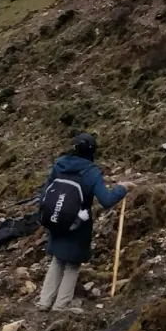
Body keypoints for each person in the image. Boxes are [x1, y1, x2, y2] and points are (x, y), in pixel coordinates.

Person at [36, 132, 127, 312]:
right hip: (79, 222)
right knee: (72, 264)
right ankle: (61, 305)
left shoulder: (60, 164)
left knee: (58, 259)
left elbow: (44, 194)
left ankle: (44, 301)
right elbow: (106, 200)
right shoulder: (91, 172)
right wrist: (122, 189)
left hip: (55, 218)